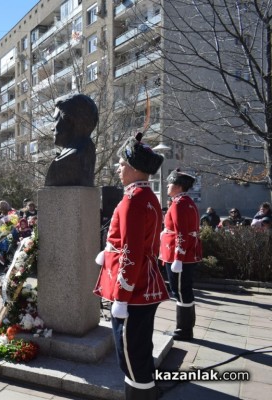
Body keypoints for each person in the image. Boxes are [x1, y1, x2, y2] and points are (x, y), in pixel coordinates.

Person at [93, 132, 169, 399]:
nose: (118, 168)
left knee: (130, 355)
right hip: (143, 283)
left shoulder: (134, 199)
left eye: (122, 164)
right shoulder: (145, 196)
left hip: (133, 290)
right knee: (139, 349)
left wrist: (122, 297)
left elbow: (132, 252)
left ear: (135, 168)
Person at [160, 169, 202, 342]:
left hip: (179, 257)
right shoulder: (185, 201)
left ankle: (183, 330)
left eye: (170, 184)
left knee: (180, 292)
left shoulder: (179, 203)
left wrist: (178, 257)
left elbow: (181, 232)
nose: (167, 187)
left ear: (178, 186)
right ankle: (185, 329)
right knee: (183, 291)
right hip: (183, 255)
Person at [44, 94, 98, 187]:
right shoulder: (85, 150)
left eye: (56, 119)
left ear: (70, 121)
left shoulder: (73, 157)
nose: (52, 128)